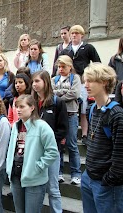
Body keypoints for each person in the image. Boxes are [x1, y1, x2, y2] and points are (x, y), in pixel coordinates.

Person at [81, 63, 123, 213]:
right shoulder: (93, 108)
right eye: (85, 80)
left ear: (104, 82)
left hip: (106, 184)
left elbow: (120, 154)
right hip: (88, 177)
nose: (86, 85)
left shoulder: (116, 114)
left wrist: (109, 179)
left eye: (90, 81)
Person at [6, 94, 59, 213]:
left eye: (22, 107)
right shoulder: (15, 126)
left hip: (34, 179)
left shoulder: (42, 126)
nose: (18, 110)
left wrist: (37, 166)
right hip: (16, 175)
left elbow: (52, 152)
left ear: (32, 108)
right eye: (17, 107)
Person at [32, 70, 68, 212]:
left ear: (46, 82)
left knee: (53, 189)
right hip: (35, 152)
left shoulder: (57, 102)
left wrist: (49, 142)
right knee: (37, 188)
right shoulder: (31, 102)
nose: (34, 84)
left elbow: (63, 129)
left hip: (51, 153)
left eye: (37, 81)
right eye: (33, 82)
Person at [60, 25, 101, 144]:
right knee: (69, 110)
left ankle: (84, 134)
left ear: (81, 35)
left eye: (77, 33)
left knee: (83, 110)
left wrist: (90, 75)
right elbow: (59, 65)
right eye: (72, 33)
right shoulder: (65, 50)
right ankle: (67, 134)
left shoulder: (88, 48)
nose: (74, 35)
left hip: (83, 83)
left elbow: (97, 63)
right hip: (69, 83)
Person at [52, 55, 82, 185]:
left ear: (70, 67)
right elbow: (51, 93)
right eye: (59, 66)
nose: (61, 69)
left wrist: (59, 95)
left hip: (71, 114)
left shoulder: (75, 78)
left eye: (63, 66)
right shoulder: (54, 79)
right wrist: (64, 93)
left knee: (72, 144)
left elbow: (74, 93)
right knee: (58, 145)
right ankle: (58, 172)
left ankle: (76, 173)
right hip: (58, 115)